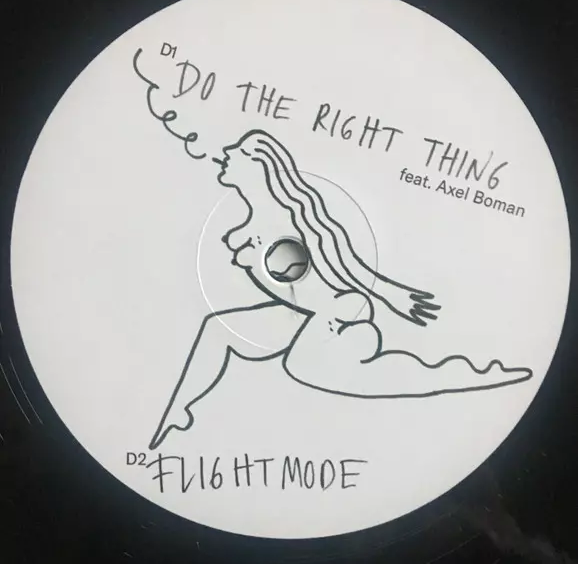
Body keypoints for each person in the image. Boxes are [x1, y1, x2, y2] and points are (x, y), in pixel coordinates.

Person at [149, 130, 531, 450]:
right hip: (303, 312)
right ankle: (176, 414)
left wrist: (392, 295)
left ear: (256, 163)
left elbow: (343, 259)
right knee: (216, 329)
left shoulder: (295, 213)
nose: (225, 155)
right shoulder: (254, 219)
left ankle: (459, 377)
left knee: (304, 367)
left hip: (339, 307)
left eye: (236, 152)